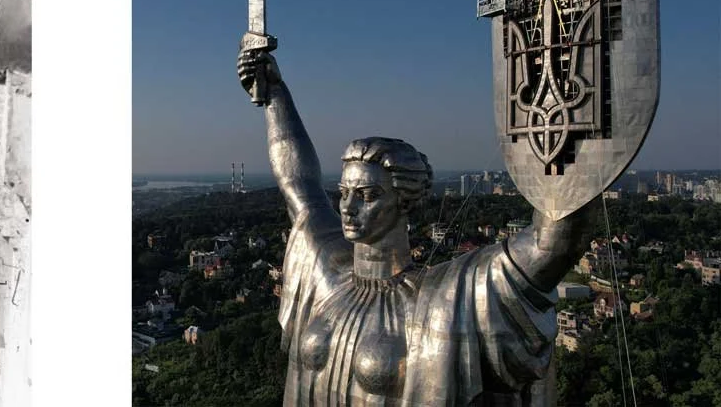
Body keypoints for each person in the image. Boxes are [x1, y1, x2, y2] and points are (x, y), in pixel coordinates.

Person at [236, 48, 592, 404]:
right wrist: (274, 93)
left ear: (403, 202)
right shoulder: (326, 273)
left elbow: (552, 244)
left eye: (367, 195)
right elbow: (297, 182)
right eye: (344, 193)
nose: (347, 207)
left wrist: (561, 83)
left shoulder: (447, 299)